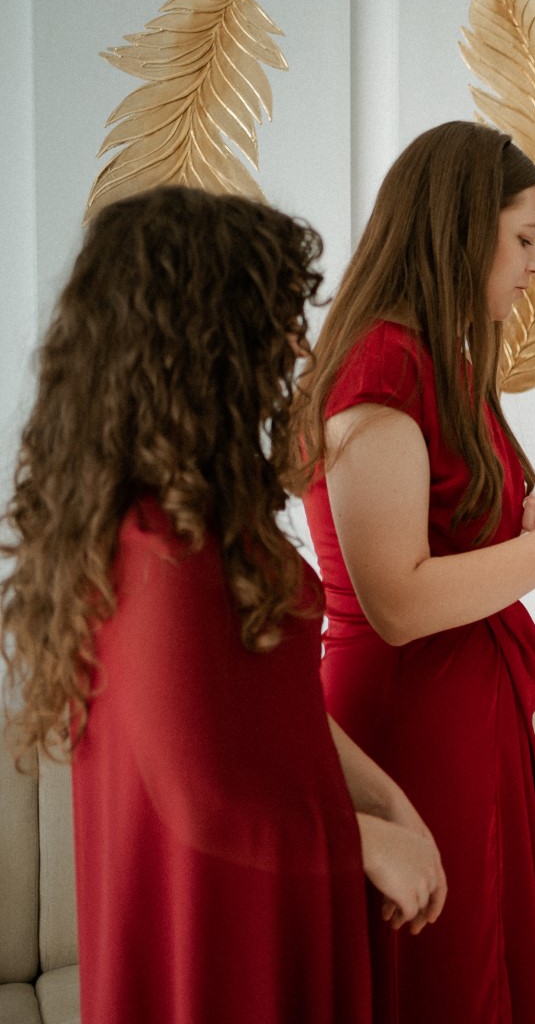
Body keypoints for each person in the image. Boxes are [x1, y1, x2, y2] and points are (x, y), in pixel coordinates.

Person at [0, 186, 446, 1024]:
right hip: (222, 922)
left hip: (276, 879)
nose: (296, 346)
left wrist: (388, 802)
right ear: (205, 338)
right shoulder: (153, 548)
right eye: (276, 321)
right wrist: (371, 842)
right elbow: (202, 798)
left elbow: (271, 707)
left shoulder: (199, 516)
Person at [291, 121, 535, 1024]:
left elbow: (455, 522)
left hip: (468, 717)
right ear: (461, 229)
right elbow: (400, 599)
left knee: (487, 962)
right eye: (525, 237)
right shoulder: (384, 368)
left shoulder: (438, 359)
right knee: (445, 985)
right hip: (413, 724)